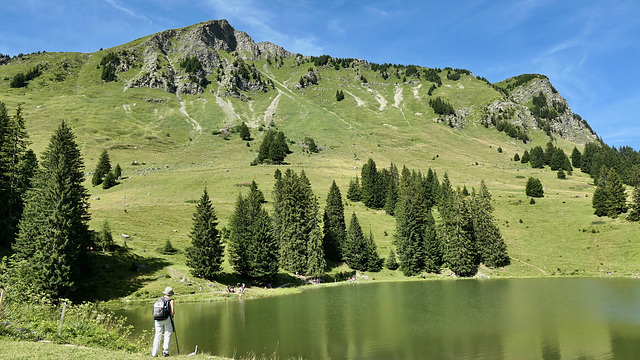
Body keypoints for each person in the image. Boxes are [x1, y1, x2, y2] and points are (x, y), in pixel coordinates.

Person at [152, 287, 175, 357]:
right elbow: (172, 312)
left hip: (157, 319)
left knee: (157, 335)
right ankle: (165, 352)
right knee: (167, 334)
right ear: (170, 294)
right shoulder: (171, 300)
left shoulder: (160, 299)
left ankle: (154, 353)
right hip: (167, 319)